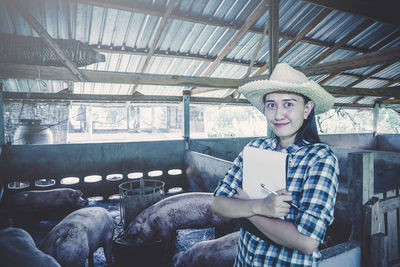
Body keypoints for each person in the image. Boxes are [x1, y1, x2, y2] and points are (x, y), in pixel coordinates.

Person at [211, 63, 339, 266]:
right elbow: (217, 203)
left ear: (307, 109)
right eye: (271, 105)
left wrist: (248, 210)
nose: (278, 114)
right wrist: (260, 206)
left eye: (288, 104)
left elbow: (306, 242)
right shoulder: (255, 148)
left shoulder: (320, 158)